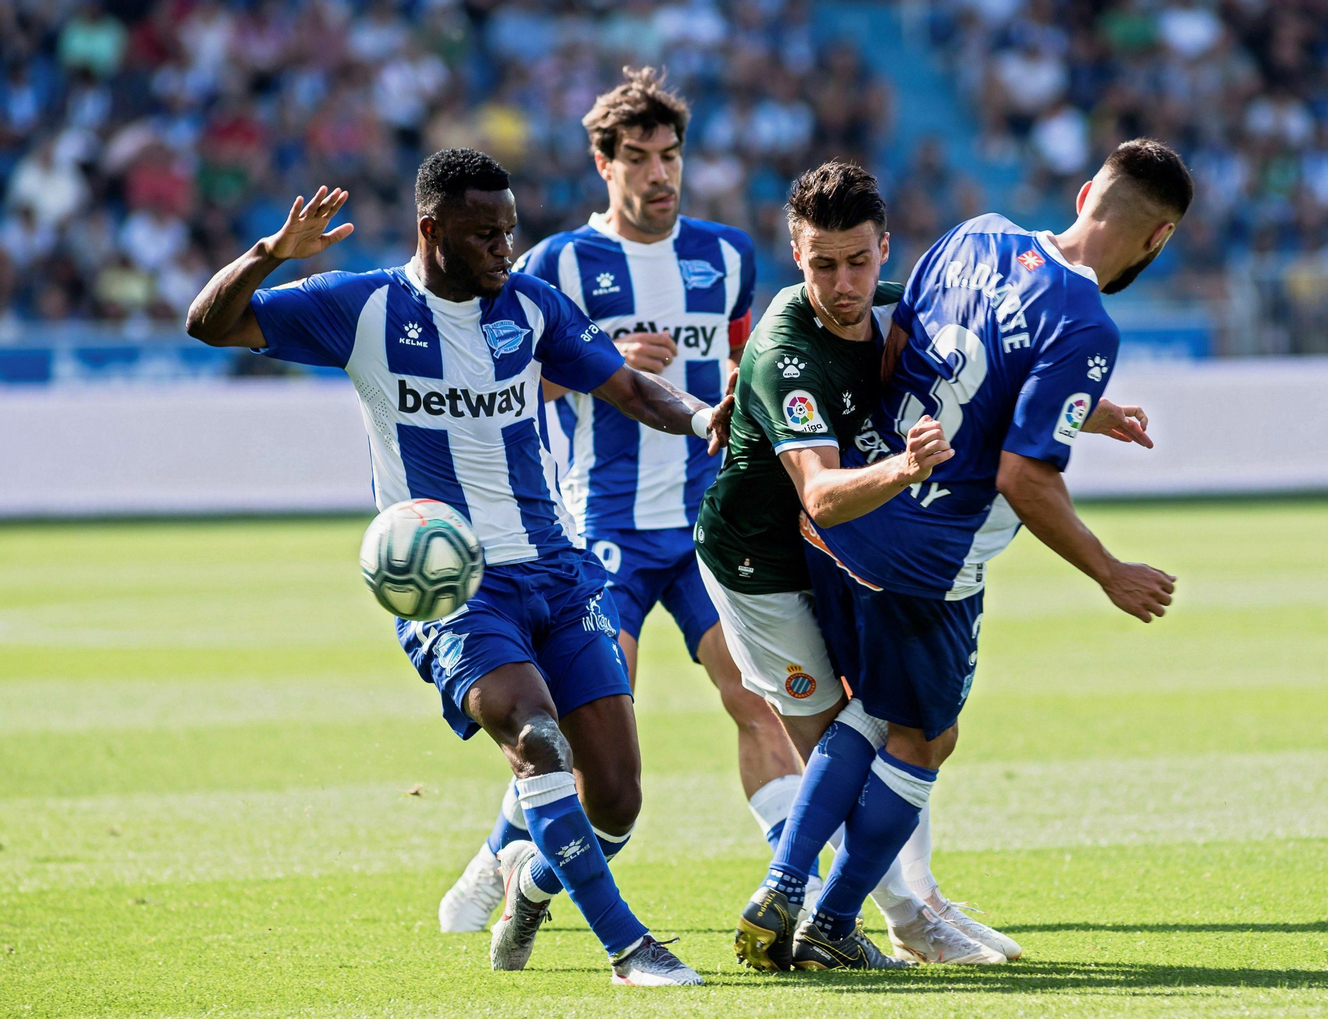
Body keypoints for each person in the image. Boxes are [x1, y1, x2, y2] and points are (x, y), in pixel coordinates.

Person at [184, 147, 726, 987]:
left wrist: (701, 420)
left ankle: (530, 881)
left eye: (509, 232)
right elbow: (210, 324)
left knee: (617, 797)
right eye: (484, 236)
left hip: (557, 570)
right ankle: (629, 950)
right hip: (455, 586)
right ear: (432, 231)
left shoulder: (531, 305)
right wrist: (269, 254)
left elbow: (630, 389)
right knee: (536, 736)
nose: (504, 251)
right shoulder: (361, 307)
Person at [737, 139, 1187, 971]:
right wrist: (1109, 570)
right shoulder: (1084, 323)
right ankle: (827, 914)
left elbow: (907, 351)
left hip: (848, 522)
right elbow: (1024, 478)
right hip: (931, 560)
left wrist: (1084, 410)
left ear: (1084, 194)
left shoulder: (978, 233)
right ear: (1159, 238)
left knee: (871, 712)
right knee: (922, 739)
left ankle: (792, 887)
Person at [434, 69, 806, 942]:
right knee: (591, 723)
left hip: (711, 524)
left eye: (669, 154)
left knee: (758, 699)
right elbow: (504, 382)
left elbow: (742, 365)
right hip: (602, 528)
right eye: (637, 157)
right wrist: (599, 365)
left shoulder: (726, 255)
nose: (658, 172)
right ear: (604, 165)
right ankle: (498, 861)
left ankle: (802, 882)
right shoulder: (555, 264)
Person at [706, 162, 1013, 968]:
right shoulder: (786, 353)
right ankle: (884, 917)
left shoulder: (895, 308)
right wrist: (905, 470)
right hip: (762, 569)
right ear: (795, 255)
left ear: (884, 248)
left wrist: (1089, 412)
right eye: (822, 265)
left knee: (906, 721)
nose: (843, 285)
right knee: (841, 745)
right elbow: (820, 495)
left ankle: (903, 907)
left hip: (847, 554)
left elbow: (987, 370)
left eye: (858, 262)